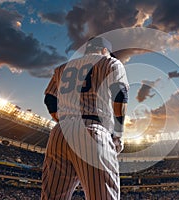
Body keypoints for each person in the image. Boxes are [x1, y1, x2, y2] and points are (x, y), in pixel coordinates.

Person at [41, 37, 129, 200]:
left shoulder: (62, 68)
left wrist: (65, 121)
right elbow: (120, 96)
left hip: (60, 134)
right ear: (105, 50)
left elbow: (50, 100)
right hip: (93, 130)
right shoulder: (110, 62)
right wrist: (118, 134)